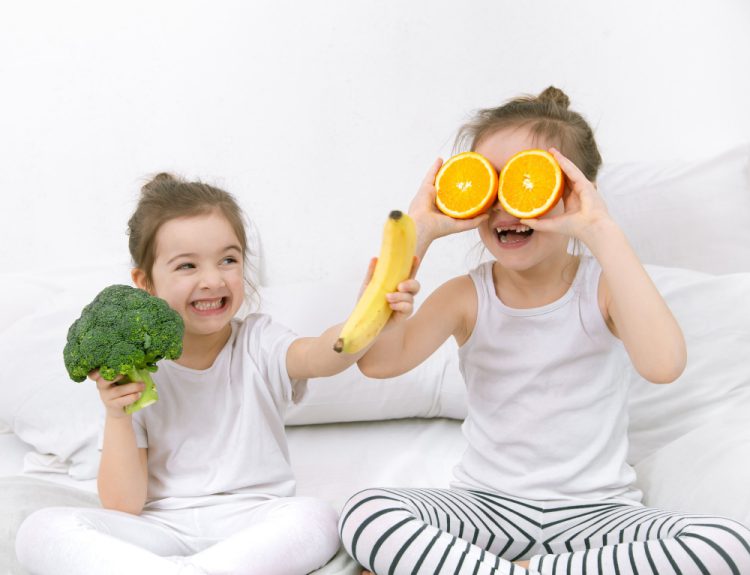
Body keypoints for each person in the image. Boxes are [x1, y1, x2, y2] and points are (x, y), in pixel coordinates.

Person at [338, 87, 750, 575]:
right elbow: (379, 362)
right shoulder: (466, 296)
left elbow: (664, 365)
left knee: (730, 544)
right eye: (489, 184)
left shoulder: (603, 289)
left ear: (578, 192)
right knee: (365, 512)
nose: (507, 205)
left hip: (598, 517)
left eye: (530, 181)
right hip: (487, 509)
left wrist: (602, 230)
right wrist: (419, 232)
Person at [15, 173, 418, 575]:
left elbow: (322, 355)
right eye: (187, 265)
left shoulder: (259, 342)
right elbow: (123, 506)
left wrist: (369, 309)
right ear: (145, 282)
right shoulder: (134, 366)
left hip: (256, 523)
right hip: (159, 530)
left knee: (317, 518)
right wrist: (117, 415)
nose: (212, 280)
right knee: (39, 529)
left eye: (228, 259)